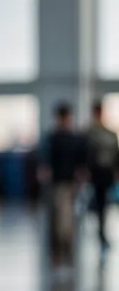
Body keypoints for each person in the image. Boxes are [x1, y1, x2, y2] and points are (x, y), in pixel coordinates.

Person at [39, 102, 86, 274]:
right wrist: (44, 170)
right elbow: (44, 160)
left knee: (65, 219)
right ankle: (58, 253)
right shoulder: (52, 138)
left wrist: (82, 174)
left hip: (70, 184)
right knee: (58, 219)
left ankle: (65, 252)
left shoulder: (76, 139)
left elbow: (82, 160)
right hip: (57, 184)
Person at [84, 100, 119, 253]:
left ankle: (102, 232)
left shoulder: (96, 134)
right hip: (99, 173)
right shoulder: (93, 133)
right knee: (100, 204)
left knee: (103, 203)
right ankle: (101, 233)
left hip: (104, 173)